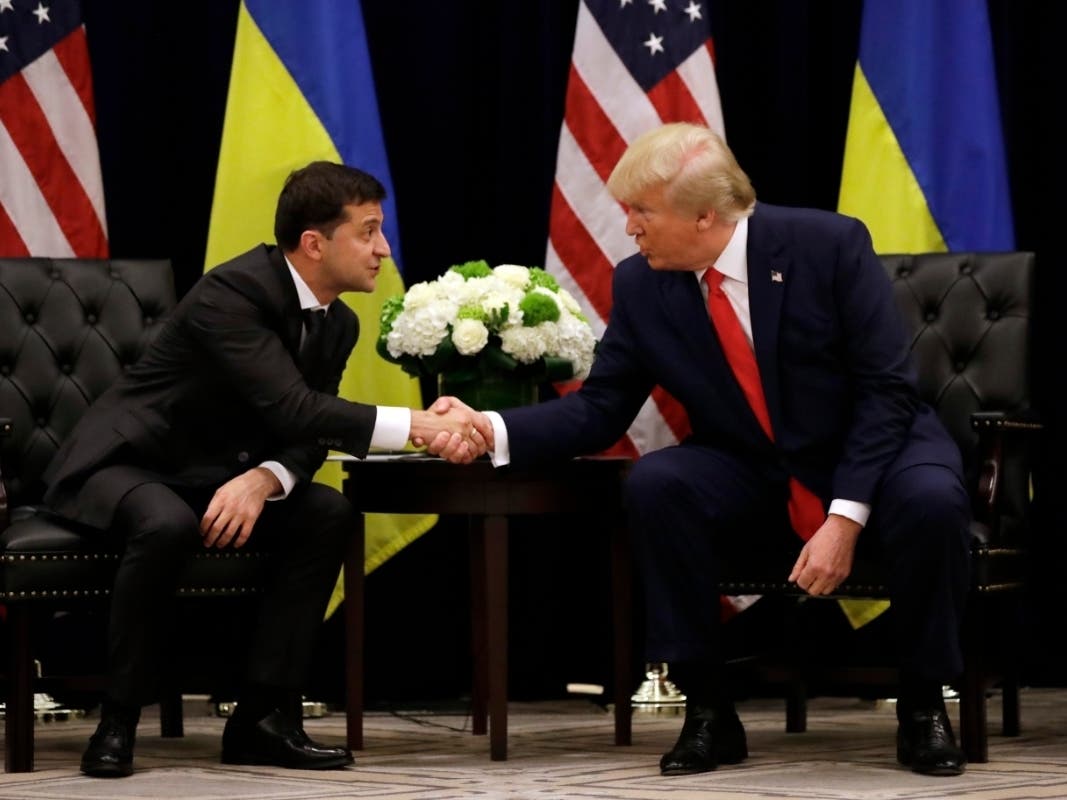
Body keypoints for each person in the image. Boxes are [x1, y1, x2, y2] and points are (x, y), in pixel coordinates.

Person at [436, 123, 971, 777]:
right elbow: (600, 408)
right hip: (751, 460)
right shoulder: (641, 283)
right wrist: (492, 428)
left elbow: (884, 392)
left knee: (931, 499)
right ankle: (708, 711)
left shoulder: (826, 244)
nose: (628, 228)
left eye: (641, 211)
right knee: (659, 482)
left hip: (874, 448)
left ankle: (921, 707)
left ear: (704, 216)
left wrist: (843, 516)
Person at [42, 161, 490, 778]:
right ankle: (117, 717)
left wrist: (267, 478)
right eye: (368, 232)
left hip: (225, 472)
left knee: (327, 511)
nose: (383, 249)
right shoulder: (231, 293)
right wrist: (418, 425)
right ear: (314, 243)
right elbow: (294, 406)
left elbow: (309, 431)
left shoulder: (339, 322)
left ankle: (261, 717)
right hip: (132, 461)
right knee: (166, 523)